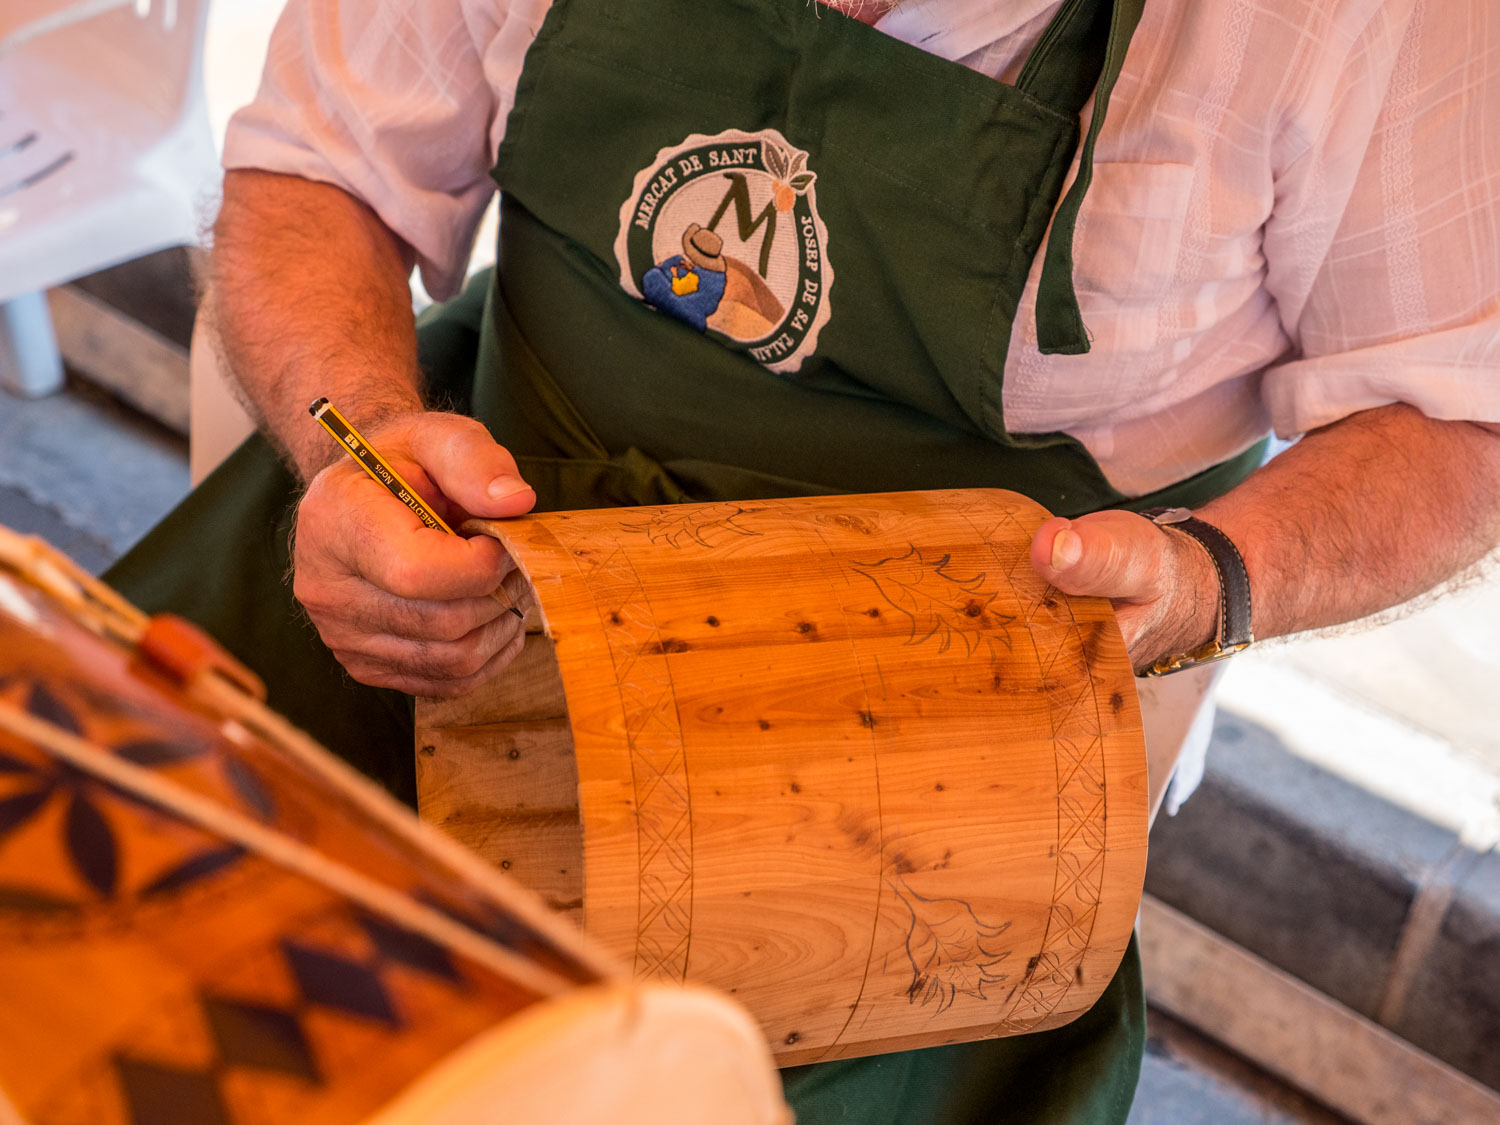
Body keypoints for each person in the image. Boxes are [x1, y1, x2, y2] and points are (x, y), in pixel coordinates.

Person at [106, 0, 1500, 1119]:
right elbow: (319, 166)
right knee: (124, 956)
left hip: (922, 760)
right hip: (455, 584)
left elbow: (1459, 415)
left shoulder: (1362, 24)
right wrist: (358, 439)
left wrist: (1211, 577)